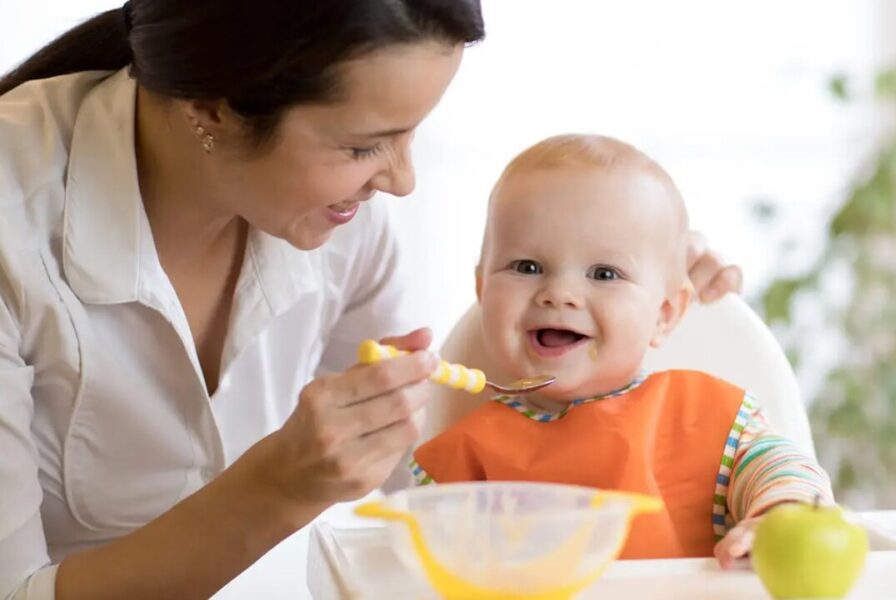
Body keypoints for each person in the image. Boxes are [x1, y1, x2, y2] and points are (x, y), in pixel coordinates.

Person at [0, 2, 742, 598]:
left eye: (410, 135)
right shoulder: (14, 221)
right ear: (212, 107)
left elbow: (414, 473)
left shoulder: (341, 221)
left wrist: (625, 255)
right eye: (363, 146)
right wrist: (276, 488)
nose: (401, 181)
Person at [411, 134, 833, 566]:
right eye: (527, 267)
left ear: (664, 313)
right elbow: (421, 565)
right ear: (483, 290)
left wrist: (781, 513)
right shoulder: (468, 454)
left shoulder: (701, 415)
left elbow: (786, 470)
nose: (559, 293)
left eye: (604, 274)